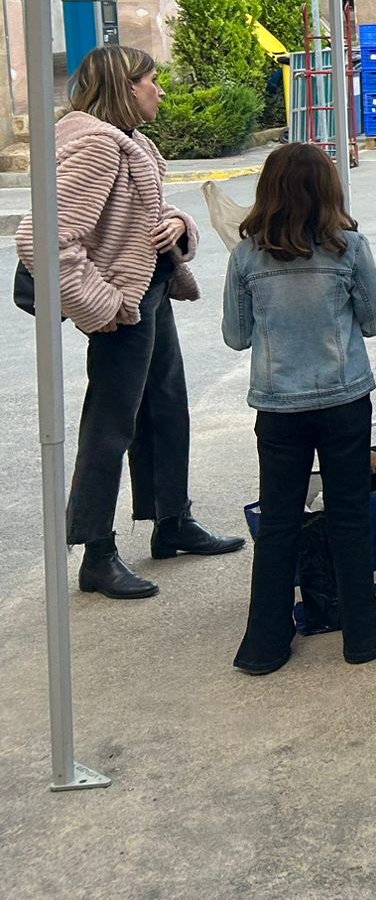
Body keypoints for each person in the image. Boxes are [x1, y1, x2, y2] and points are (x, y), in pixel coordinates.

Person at [16, 45, 244, 600]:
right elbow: (41, 238)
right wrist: (104, 304)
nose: (160, 90)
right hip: (124, 306)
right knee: (110, 426)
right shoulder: (98, 145)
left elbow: (141, 214)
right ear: (125, 87)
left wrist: (176, 224)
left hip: (150, 292)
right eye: (151, 80)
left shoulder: (133, 143)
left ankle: (173, 521)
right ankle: (96, 553)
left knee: (168, 408)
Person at [224, 143, 376, 674]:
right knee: (349, 514)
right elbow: (372, 322)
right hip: (343, 397)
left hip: (276, 404)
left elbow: (235, 336)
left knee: (279, 520)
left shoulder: (246, 255)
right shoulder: (350, 247)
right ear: (328, 192)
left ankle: (264, 645)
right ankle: (362, 636)